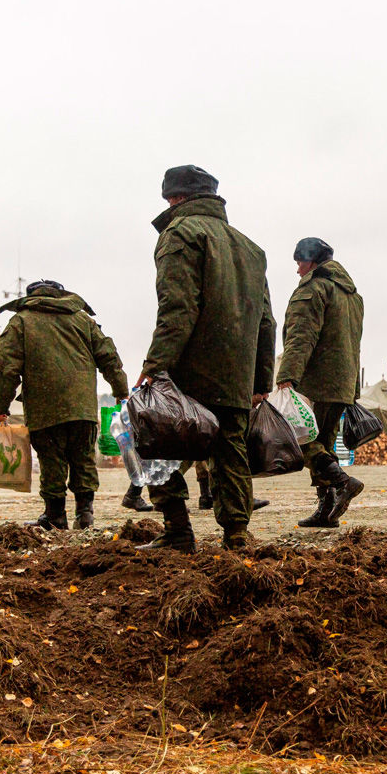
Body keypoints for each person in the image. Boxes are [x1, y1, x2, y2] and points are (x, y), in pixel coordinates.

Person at [137, 165, 276, 552]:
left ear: (174, 198)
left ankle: (177, 531)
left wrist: (155, 366)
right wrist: (260, 383)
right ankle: (237, 536)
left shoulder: (179, 234)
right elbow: (267, 321)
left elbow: (177, 309)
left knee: (153, 442)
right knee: (230, 451)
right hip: (237, 375)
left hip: (190, 372)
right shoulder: (250, 248)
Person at [0, 280, 130, 530]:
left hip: (45, 408)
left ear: (30, 296)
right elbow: (109, 357)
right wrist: (121, 390)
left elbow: (6, 368)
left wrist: (0, 404)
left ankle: (55, 516)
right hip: (82, 407)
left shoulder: (21, 322)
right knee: (83, 459)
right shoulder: (83, 320)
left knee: (51, 461)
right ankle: (85, 514)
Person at [276, 237, 365, 527]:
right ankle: (326, 512)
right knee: (324, 442)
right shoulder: (352, 295)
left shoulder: (314, 289)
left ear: (311, 260)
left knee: (301, 436)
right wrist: (353, 389)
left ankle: (342, 482)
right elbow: (355, 343)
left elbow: (301, 336)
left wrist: (287, 376)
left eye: (300, 262)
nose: (298, 270)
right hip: (342, 384)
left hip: (316, 380)